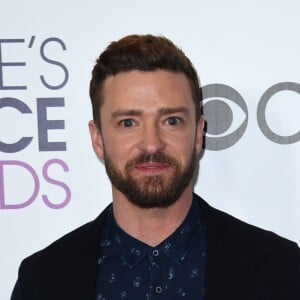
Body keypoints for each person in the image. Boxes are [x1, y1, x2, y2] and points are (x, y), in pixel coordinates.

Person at [11, 34, 300, 300]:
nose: (151, 144)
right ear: (98, 139)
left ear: (199, 133)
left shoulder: (280, 269)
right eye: (128, 123)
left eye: (171, 121)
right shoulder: (42, 280)